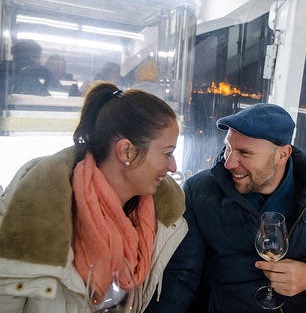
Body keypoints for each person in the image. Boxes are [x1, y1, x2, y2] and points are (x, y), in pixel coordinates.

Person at [145, 103, 306, 312]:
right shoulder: (199, 191)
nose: (229, 162)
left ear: (282, 155)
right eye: (228, 148)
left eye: (244, 153)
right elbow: (182, 276)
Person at [0, 81, 187, 312]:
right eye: (167, 153)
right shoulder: (35, 210)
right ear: (126, 151)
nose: (173, 166)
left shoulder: (157, 219)